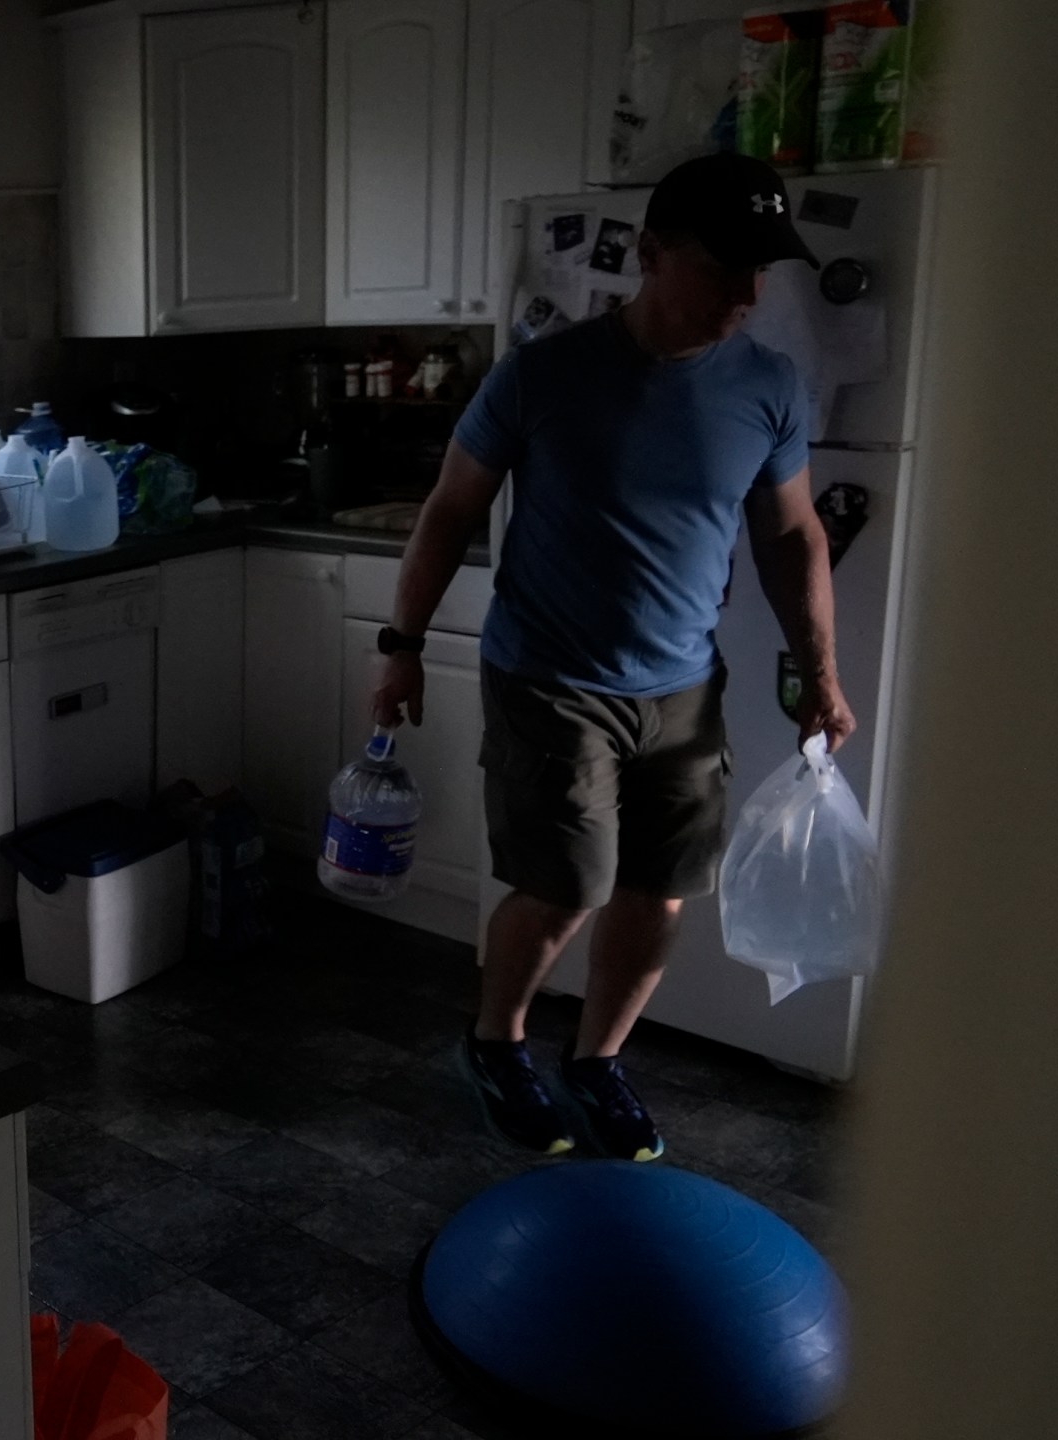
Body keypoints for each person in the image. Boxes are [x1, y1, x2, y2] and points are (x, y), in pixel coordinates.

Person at [371, 153, 856, 1163]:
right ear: (648, 255)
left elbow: (792, 535)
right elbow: (449, 511)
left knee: (659, 891)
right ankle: (496, 1042)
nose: (746, 293)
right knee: (565, 885)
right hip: (548, 679)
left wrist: (821, 672)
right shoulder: (543, 376)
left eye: (760, 270)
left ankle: (597, 1062)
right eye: (724, 266)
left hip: (682, 687)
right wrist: (402, 646)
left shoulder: (768, 387)